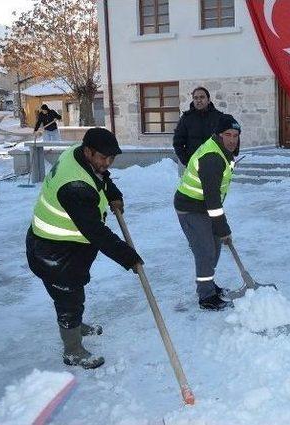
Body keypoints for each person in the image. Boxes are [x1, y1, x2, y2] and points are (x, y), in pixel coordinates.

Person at [26, 127, 144, 369]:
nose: (108, 163)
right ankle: (73, 350)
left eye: (112, 158)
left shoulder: (77, 154)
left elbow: (101, 178)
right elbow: (96, 232)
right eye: (103, 158)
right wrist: (128, 257)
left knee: (74, 292)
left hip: (67, 246)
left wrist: (114, 193)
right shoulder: (75, 186)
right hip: (53, 252)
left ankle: (76, 326)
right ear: (88, 152)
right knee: (69, 298)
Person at [174, 114, 241, 311]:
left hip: (204, 206)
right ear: (218, 135)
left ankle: (208, 285)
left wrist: (220, 231)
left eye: (235, 135)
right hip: (190, 208)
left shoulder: (221, 151)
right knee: (205, 252)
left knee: (215, 248)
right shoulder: (212, 157)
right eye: (227, 134)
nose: (232, 139)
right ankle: (206, 296)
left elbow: (213, 199)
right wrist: (224, 229)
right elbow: (212, 200)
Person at [173, 87, 224, 166]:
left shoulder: (219, 117)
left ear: (209, 99)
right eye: (195, 98)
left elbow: (227, 140)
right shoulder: (186, 118)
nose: (199, 100)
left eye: (202, 97)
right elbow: (177, 142)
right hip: (194, 167)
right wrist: (187, 162)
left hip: (216, 166)